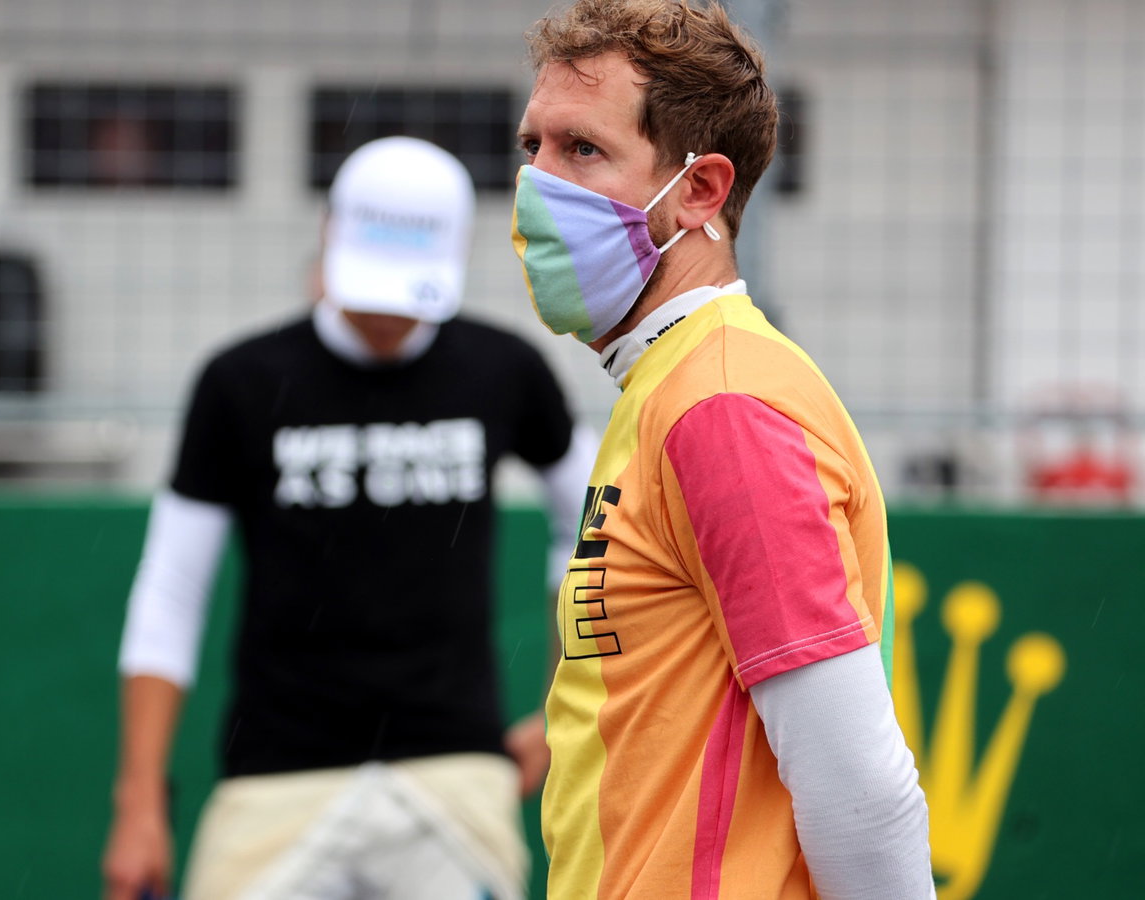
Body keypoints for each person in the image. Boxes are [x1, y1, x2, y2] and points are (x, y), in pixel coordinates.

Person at [508, 1, 935, 897]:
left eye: (582, 149)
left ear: (701, 189)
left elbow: (859, 788)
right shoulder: (672, 387)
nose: (537, 185)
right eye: (532, 147)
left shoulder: (724, 404)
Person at [102, 135, 595, 900]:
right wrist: (138, 801)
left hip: (454, 773)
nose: (386, 314)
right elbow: (170, 590)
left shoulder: (505, 370)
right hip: (276, 773)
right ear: (329, 236)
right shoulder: (239, 383)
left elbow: (599, 522)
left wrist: (567, 703)